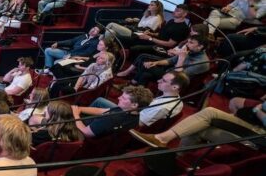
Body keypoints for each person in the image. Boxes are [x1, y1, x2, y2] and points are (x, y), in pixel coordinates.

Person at [130, 106, 263, 149]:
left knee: (209, 112)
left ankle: (162, 138)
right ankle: (177, 155)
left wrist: (258, 111)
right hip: (251, 124)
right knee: (199, 126)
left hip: (260, 135)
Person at [91, 71, 187, 128]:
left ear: (174, 87)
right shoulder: (177, 100)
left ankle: (88, 127)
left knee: (100, 101)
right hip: (134, 112)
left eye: (164, 81)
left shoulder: (163, 107)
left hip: (129, 119)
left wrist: (123, 109)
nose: (158, 81)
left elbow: (139, 123)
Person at [125, 34, 209, 85]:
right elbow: (170, 61)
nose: (187, 44)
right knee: (146, 71)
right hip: (169, 72)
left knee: (146, 64)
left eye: (191, 43)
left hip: (176, 81)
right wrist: (156, 63)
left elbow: (179, 76)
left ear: (200, 46)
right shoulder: (190, 50)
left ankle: (133, 83)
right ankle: (135, 88)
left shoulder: (202, 62)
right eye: (188, 41)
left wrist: (181, 58)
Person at [72, 85, 153, 138]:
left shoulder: (110, 118)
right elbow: (100, 110)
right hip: (93, 125)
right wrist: (79, 109)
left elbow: (85, 132)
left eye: (124, 98)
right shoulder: (134, 114)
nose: (118, 98)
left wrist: (76, 115)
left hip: (82, 132)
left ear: (134, 105)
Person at [121, 4, 191, 58]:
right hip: (155, 41)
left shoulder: (183, 28)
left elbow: (170, 44)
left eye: (178, 11)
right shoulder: (171, 21)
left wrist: (150, 38)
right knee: (131, 38)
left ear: (184, 14)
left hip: (163, 48)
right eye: (175, 9)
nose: (174, 12)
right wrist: (150, 33)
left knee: (136, 48)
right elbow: (161, 34)